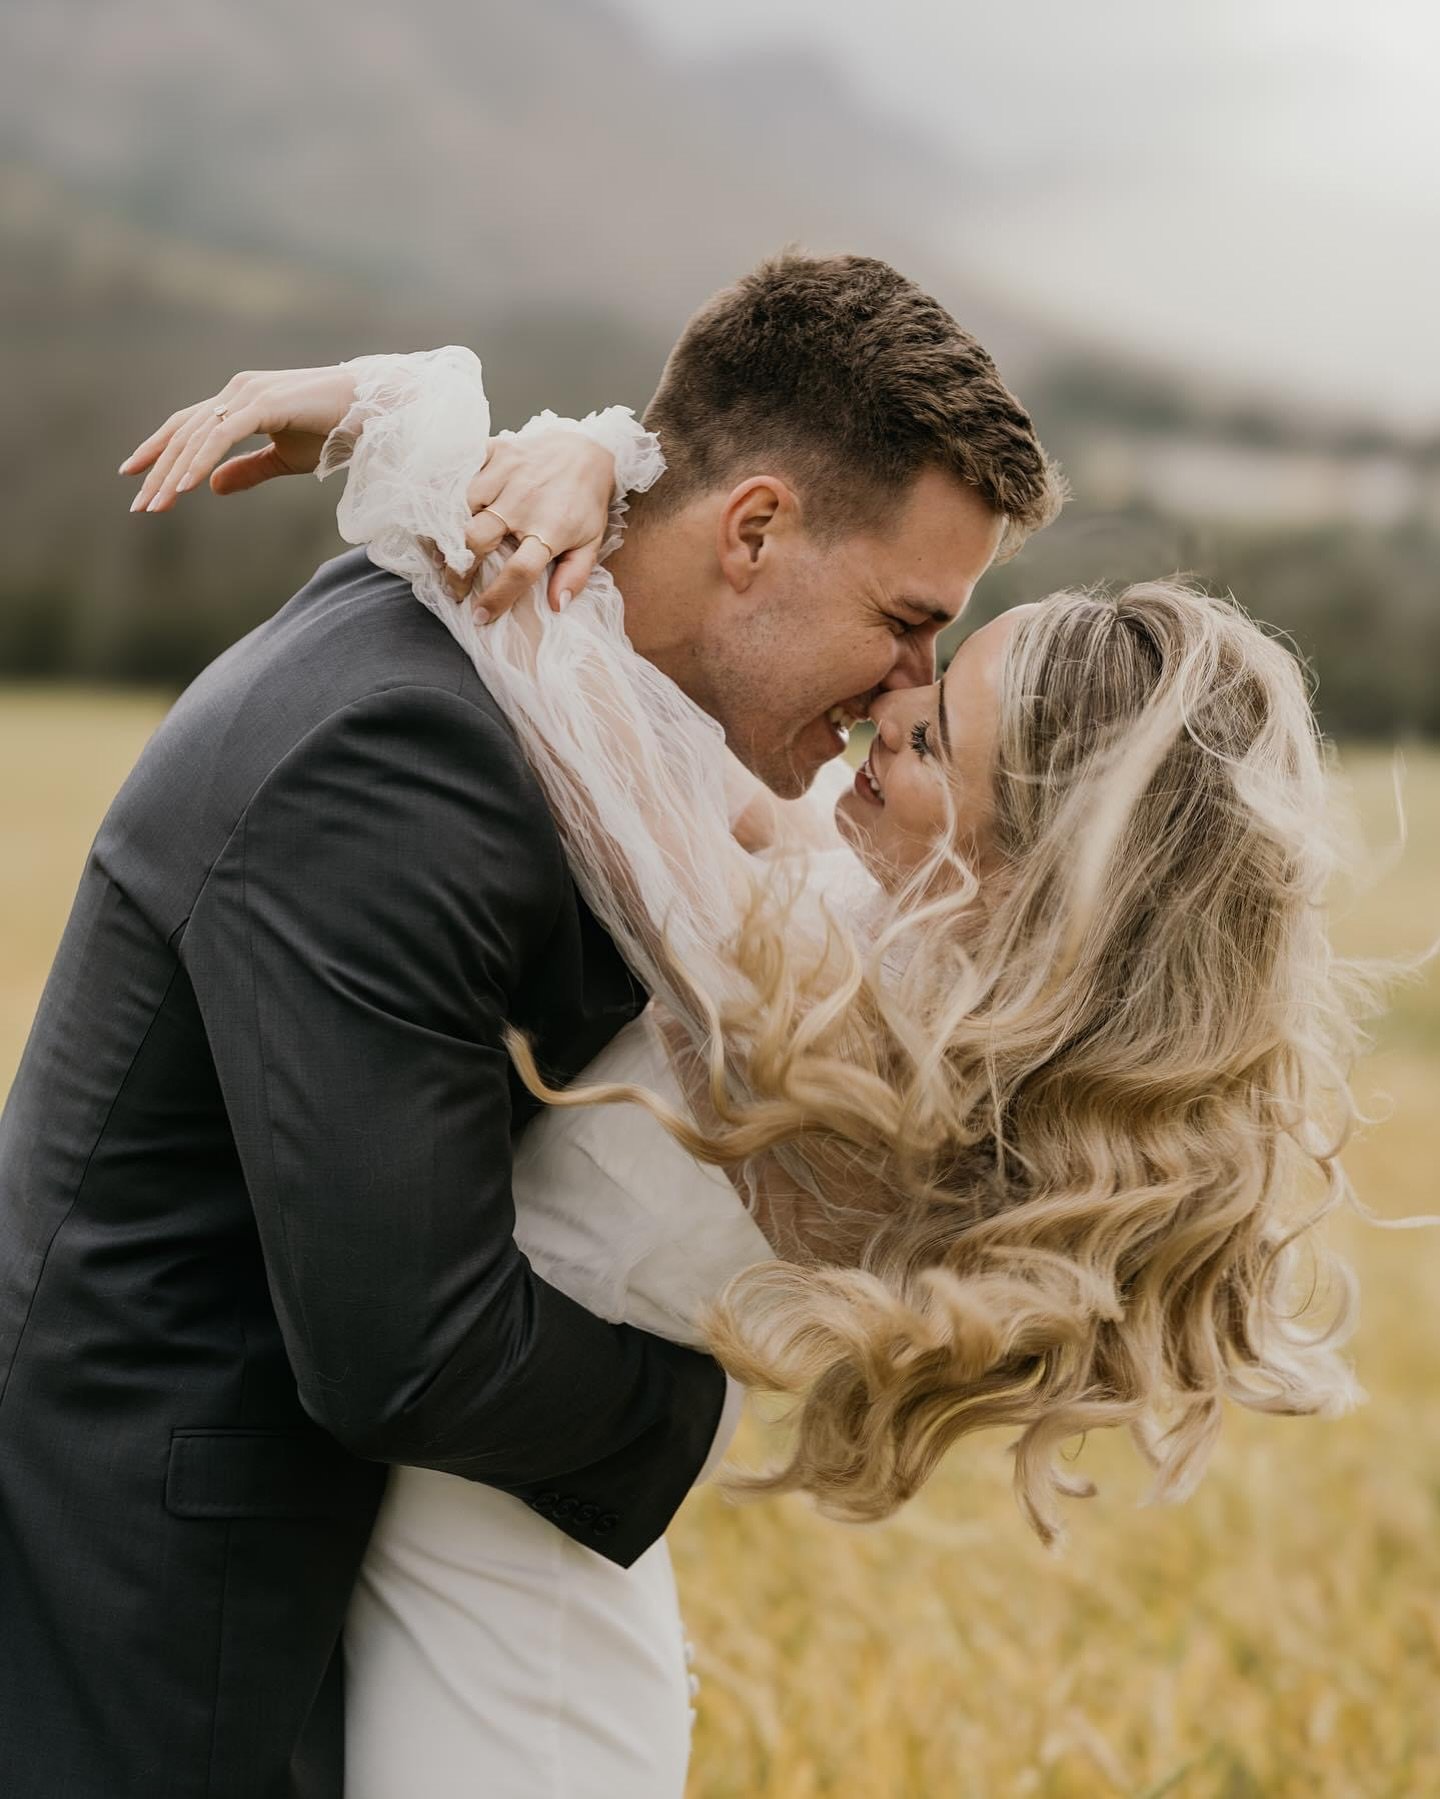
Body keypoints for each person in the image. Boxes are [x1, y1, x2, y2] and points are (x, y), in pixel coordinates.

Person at [123, 315, 1394, 1795]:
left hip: (509, 1616)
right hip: (485, 1536)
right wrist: (601, 464)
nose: (879, 726)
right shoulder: (899, 954)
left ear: (1027, 867)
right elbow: (653, 709)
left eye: (929, 746)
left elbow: (559, 677)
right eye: (918, 667)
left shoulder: (832, 1008)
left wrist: (434, 414)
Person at [0, 252, 1061, 1799]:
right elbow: (405, 1351)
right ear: (754, 529)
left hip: (356, 1545)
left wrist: (537, 440)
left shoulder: (546, 654)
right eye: (908, 622)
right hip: (164, 1574)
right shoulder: (401, 751)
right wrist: (702, 1402)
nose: (908, 692)